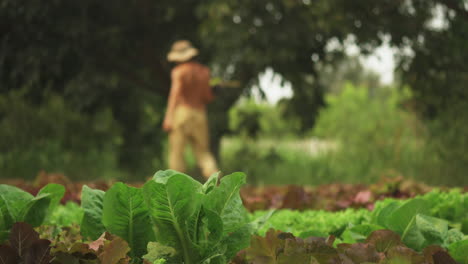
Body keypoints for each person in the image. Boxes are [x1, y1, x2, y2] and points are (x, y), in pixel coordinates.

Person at [163, 40, 219, 179]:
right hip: (199, 114)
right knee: (204, 154)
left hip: (182, 113)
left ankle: (175, 188)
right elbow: (207, 97)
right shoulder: (204, 72)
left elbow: (175, 94)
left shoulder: (179, 72)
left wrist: (169, 117)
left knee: (177, 154)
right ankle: (216, 183)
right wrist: (216, 91)